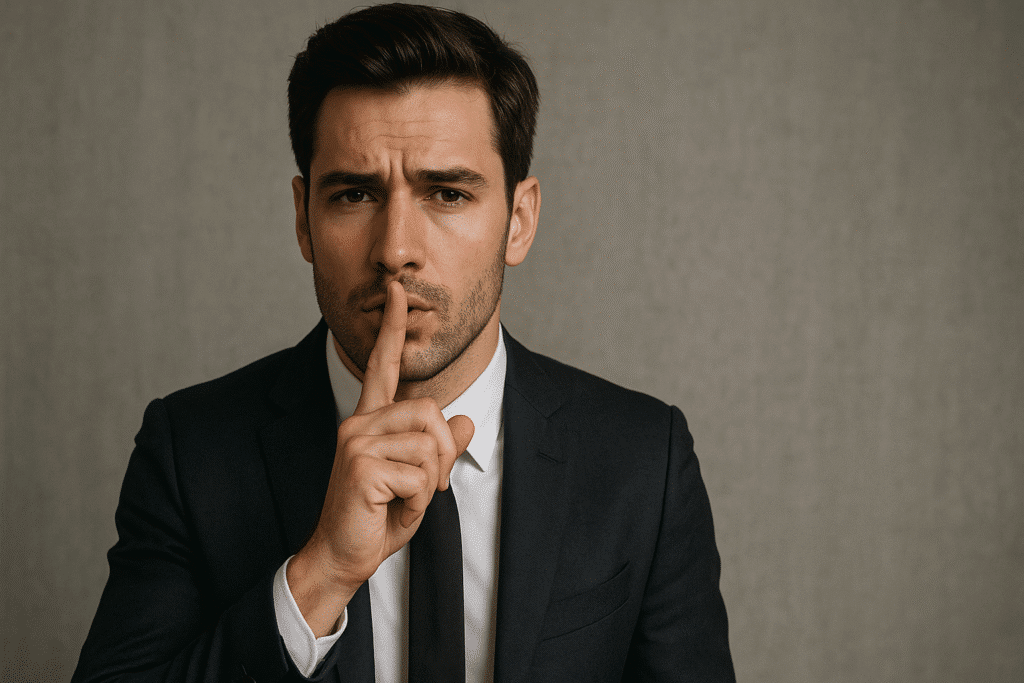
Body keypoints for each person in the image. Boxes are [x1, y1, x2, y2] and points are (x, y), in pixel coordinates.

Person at [71, 4, 734, 682]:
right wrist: (322, 574)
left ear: (519, 220)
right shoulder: (192, 452)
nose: (394, 250)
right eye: (354, 195)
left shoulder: (643, 461)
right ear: (302, 220)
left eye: (446, 194)